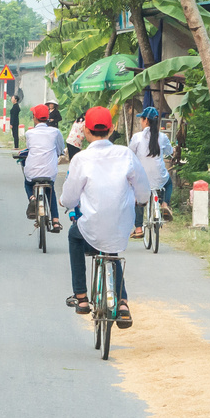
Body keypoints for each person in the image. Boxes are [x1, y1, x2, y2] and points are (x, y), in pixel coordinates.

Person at [60, 106, 148, 328]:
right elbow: (143, 192)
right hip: (120, 225)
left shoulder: (80, 159)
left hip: (91, 226)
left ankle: (81, 296)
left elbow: (69, 198)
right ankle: (123, 304)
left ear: (86, 132)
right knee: (110, 250)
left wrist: (65, 203)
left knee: (74, 236)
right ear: (111, 130)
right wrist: (140, 200)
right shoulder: (126, 154)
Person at [127, 106, 174, 236]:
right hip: (159, 176)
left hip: (141, 177)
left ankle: (138, 229)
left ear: (146, 120)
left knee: (137, 196)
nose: (140, 122)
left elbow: (129, 154)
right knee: (168, 183)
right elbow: (170, 152)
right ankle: (164, 205)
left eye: (141, 119)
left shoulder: (137, 137)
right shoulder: (163, 137)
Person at [20, 104, 63, 230]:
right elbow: (60, 149)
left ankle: (32, 197)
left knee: (28, 183)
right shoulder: (55, 132)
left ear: (34, 118)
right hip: (49, 172)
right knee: (50, 190)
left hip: (32, 172)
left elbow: (29, 148)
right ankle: (55, 221)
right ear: (48, 117)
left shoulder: (29, 133)